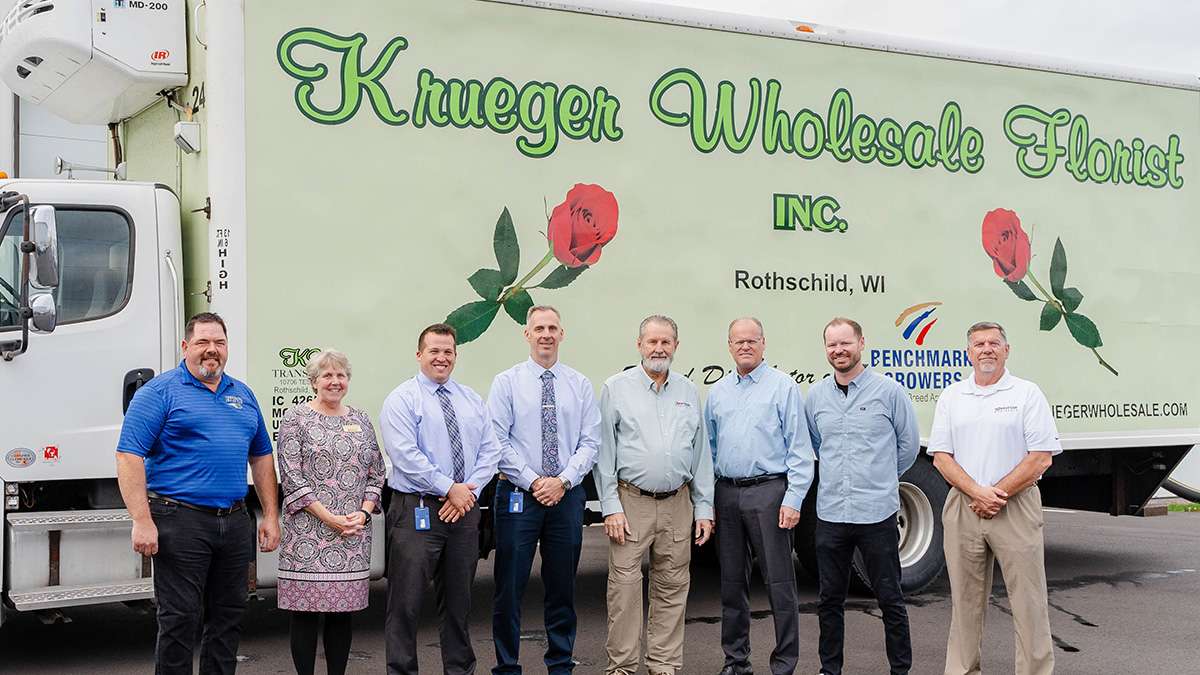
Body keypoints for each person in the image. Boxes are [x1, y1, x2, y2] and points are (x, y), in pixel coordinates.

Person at [115, 311, 280, 675]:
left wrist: (269, 514)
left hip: (234, 521)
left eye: (219, 343)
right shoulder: (159, 392)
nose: (212, 350)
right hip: (180, 520)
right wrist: (141, 521)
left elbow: (262, 455)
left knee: (229, 616)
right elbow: (129, 456)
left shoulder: (243, 394)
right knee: (180, 619)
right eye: (203, 342)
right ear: (186, 346)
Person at [928, 321, 1061, 675]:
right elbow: (941, 456)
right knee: (965, 601)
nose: (986, 349)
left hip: (1014, 506)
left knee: (1029, 600)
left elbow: (1041, 457)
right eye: (978, 344)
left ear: (1006, 349)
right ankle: (962, 670)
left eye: (993, 343)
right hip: (964, 508)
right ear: (968, 352)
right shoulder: (953, 396)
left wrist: (995, 494)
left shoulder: (1026, 393)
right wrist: (977, 492)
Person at [592, 314, 715, 675]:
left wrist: (703, 506)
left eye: (666, 342)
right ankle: (623, 667)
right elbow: (605, 454)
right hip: (631, 503)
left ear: (676, 346)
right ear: (639, 345)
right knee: (625, 590)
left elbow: (700, 452)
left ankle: (663, 665)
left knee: (672, 585)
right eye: (652, 342)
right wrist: (610, 507)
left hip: (678, 503)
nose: (658, 348)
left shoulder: (688, 391)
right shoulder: (616, 388)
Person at [380, 322, 503, 675]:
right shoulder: (402, 399)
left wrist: (468, 490)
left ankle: (460, 670)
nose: (441, 357)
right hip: (417, 509)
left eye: (448, 351)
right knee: (405, 603)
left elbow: (490, 451)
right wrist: (450, 487)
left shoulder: (471, 400)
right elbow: (404, 455)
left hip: (463, 510)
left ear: (455, 356)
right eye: (434, 351)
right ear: (419, 355)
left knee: (459, 604)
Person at [488, 306, 601, 674]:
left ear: (562, 334)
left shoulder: (579, 385)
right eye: (539, 328)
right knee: (509, 586)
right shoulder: (506, 382)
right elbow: (497, 441)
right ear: (527, 335)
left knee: (562, 587)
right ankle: (507, 665)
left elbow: (590, 442)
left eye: (553, 328)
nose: (546, 334)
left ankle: (560, 663)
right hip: (519, 495)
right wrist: (535, 481)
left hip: (566, 497)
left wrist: (563, 481)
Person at [804, 317, 919, 675]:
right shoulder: (816, 397)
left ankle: (900, 669)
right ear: (825, 349)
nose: (839, 350)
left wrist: (880, 478)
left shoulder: (889, 392)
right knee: (829, 601)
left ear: (861, 343)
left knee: (890, 598)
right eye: (832, 345)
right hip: (832, 515)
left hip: (877, 515)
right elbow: (817, 444)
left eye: (845, 343)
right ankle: (830, 669)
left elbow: (908, 446)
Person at [704, 317, 814, 675]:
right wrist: (710, 501)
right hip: (728, 494)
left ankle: (784, 664)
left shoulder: (783, 387)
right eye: (739, 341)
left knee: (780, 584)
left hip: (770, 493)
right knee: (731, 585)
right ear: (729, 346)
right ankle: (736, 662)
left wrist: (794, 499)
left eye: (752, 340)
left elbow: (800, 450)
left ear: (764, 344)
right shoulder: (718, 393)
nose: (745, 346)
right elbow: (710, 448)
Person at [276, 349, 386, 675]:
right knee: (305, 613)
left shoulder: (361, 419)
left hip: (351, 533)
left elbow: (376, 473)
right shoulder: (296, 419)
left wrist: (363, 514)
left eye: (341, 376)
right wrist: (330, 518)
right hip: (308, 534)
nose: (335, 382)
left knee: (342, 613)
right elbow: (291, 476)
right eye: (327, 376)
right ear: (314, 382)